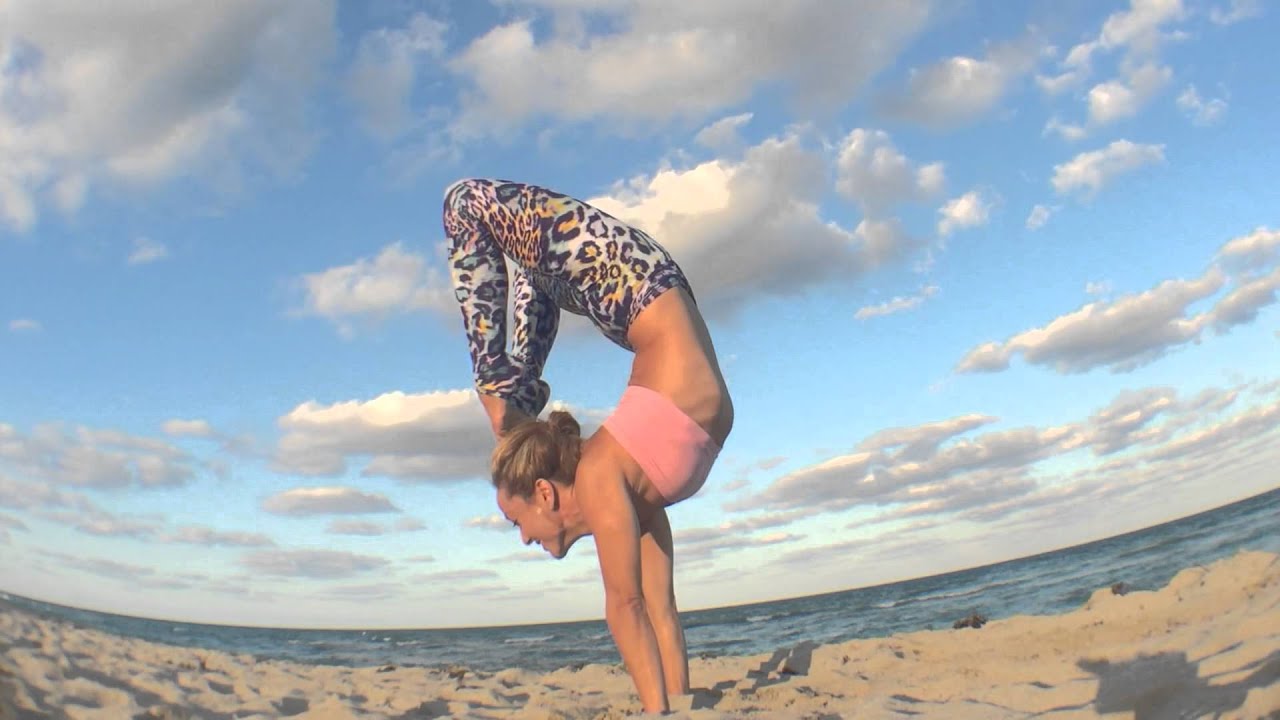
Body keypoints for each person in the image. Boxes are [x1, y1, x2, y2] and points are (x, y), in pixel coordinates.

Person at [443, 178, 734, 713]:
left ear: (545, 494)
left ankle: (497, 386)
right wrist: (677, 703)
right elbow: (659, 607)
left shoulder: (603, 477)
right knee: (531, 270)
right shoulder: (629, 492)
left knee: (463, 202)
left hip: (629, 280)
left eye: (517, 522)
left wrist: (653, 714)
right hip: (634, 290)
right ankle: (517, 391)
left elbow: (623, 607)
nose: (525, 540)